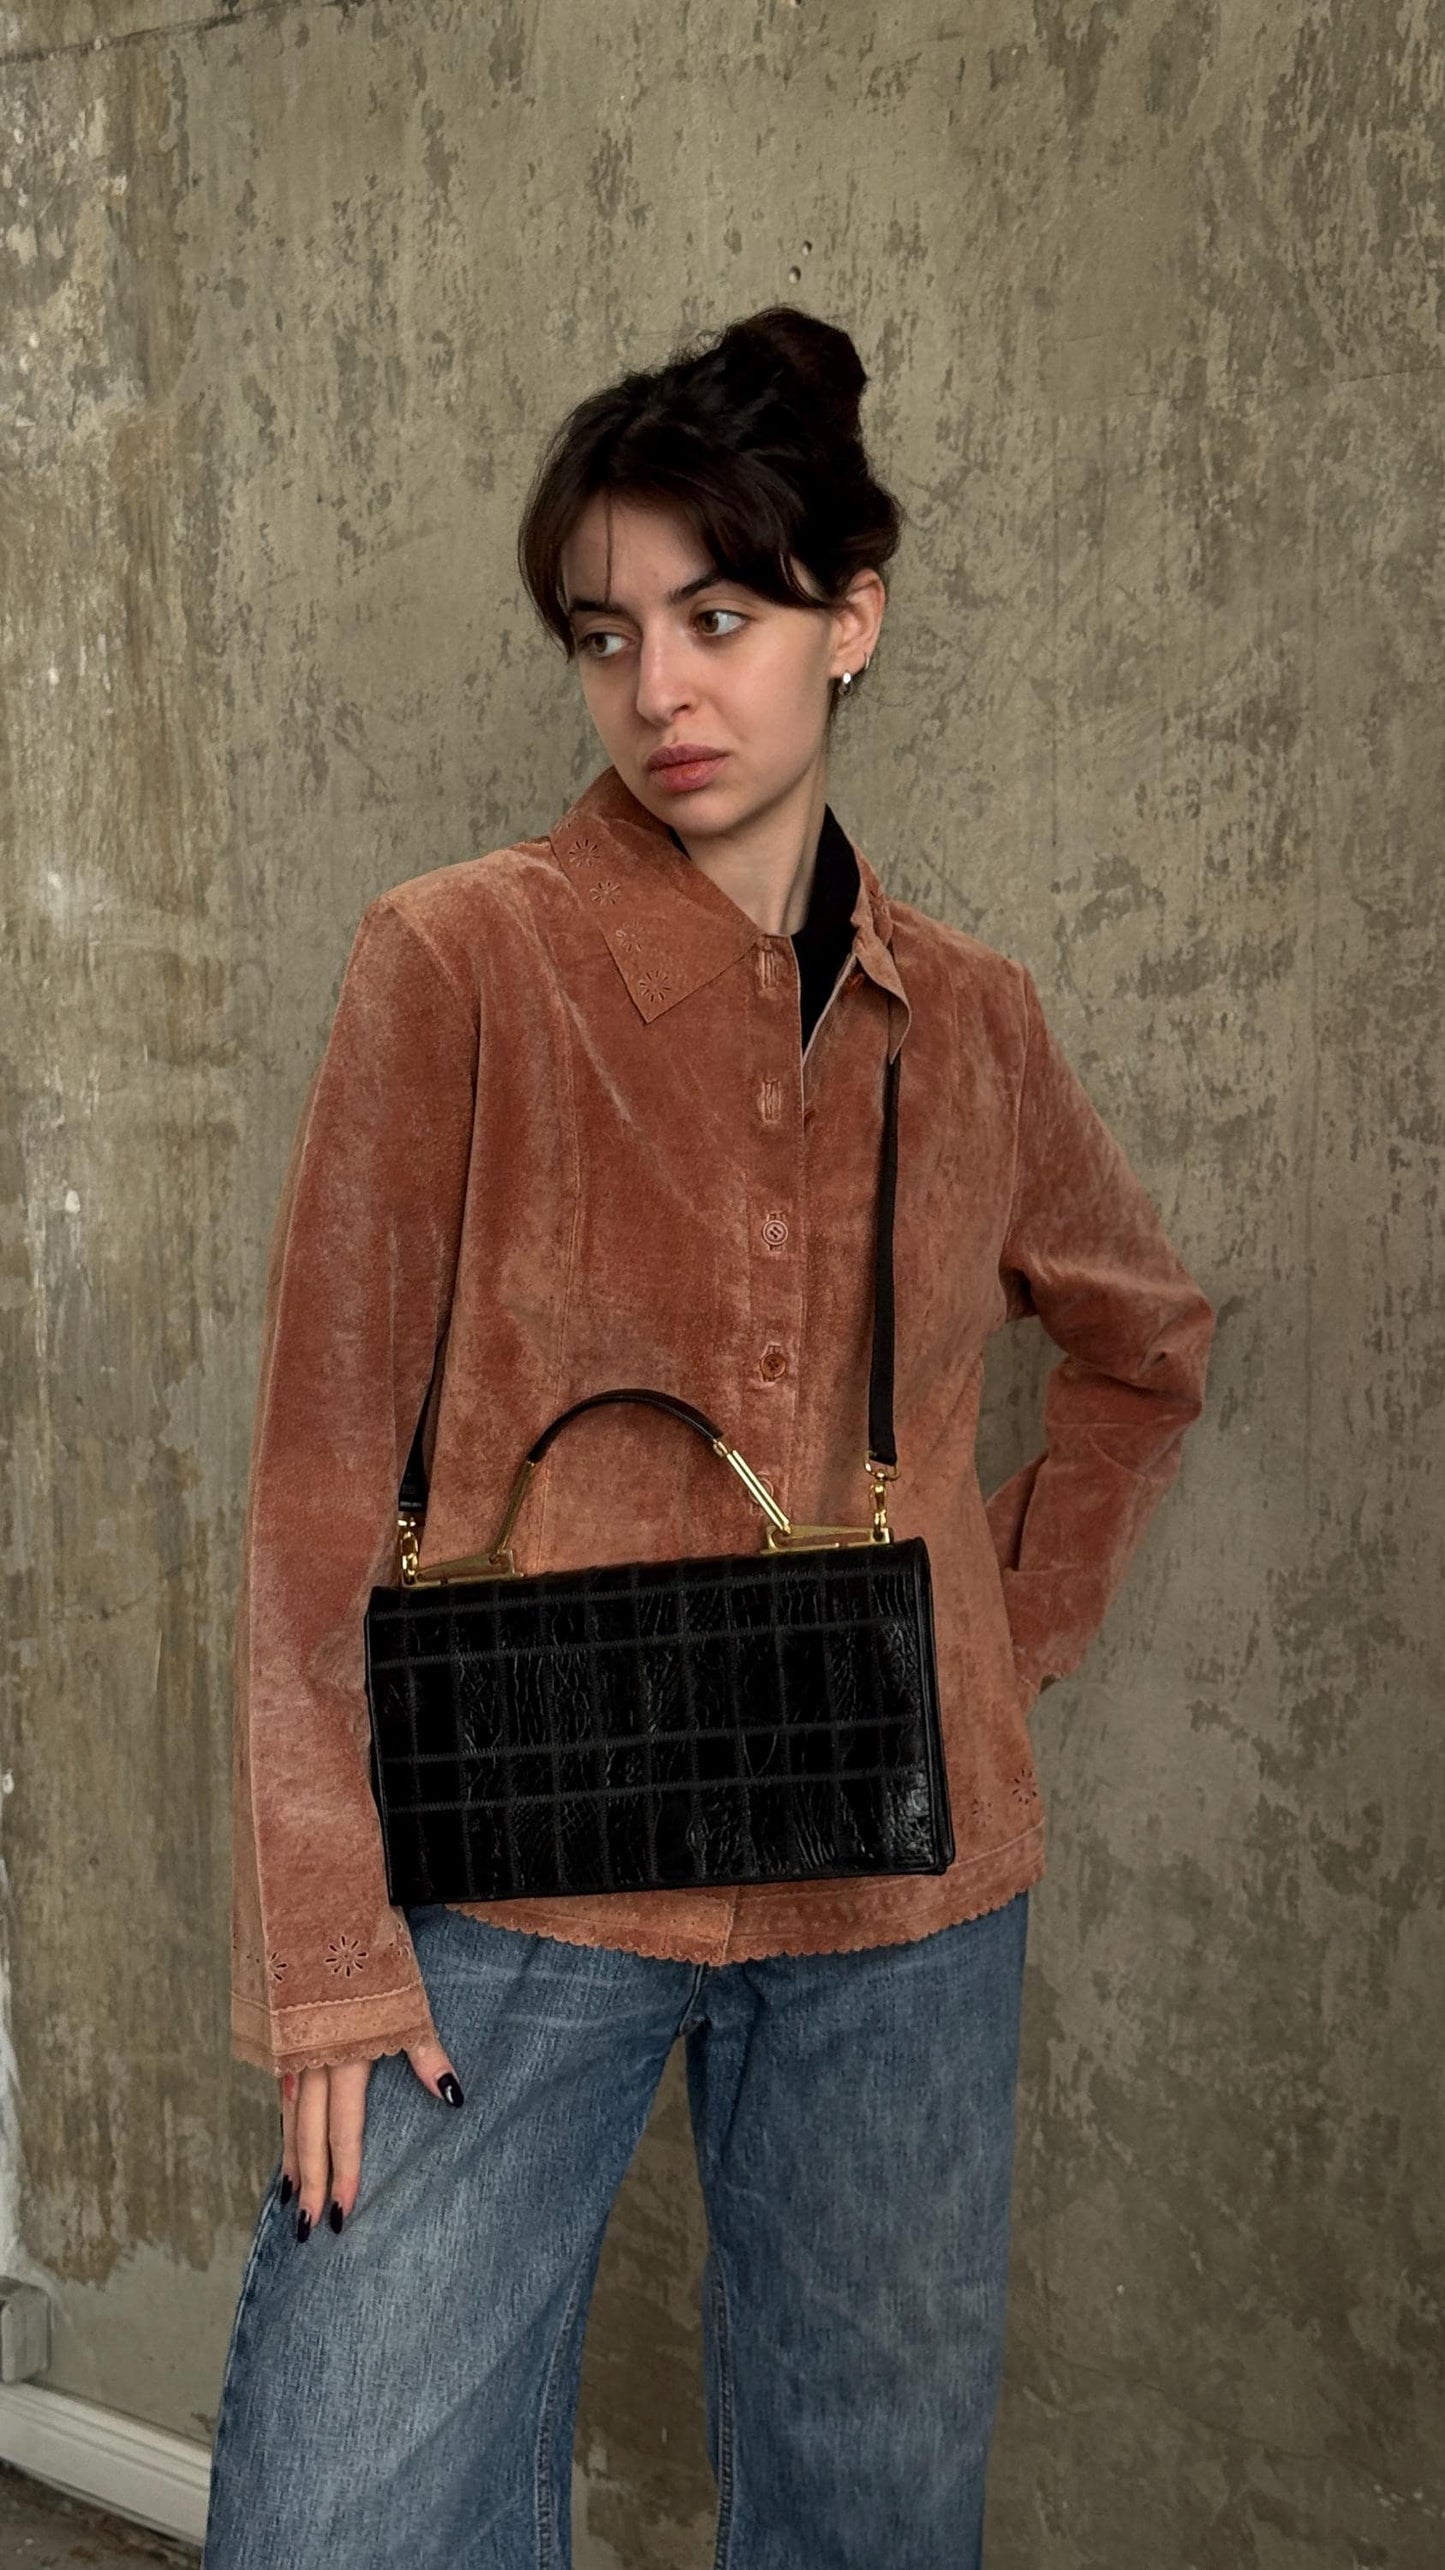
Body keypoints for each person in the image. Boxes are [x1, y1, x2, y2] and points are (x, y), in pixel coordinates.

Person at [202, 306, 1214, 2569]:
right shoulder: (456, 964)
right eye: (607, 631)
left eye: (721, 615)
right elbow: (305, 1497)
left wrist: (991, 1634)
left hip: (901, 1892)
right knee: (344, 2511)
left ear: (854, 618)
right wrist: (331, 1958)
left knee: (867, 2510)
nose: (659, 685)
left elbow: (1150, 1344)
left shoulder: (969, 1021)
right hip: (521, 1874)